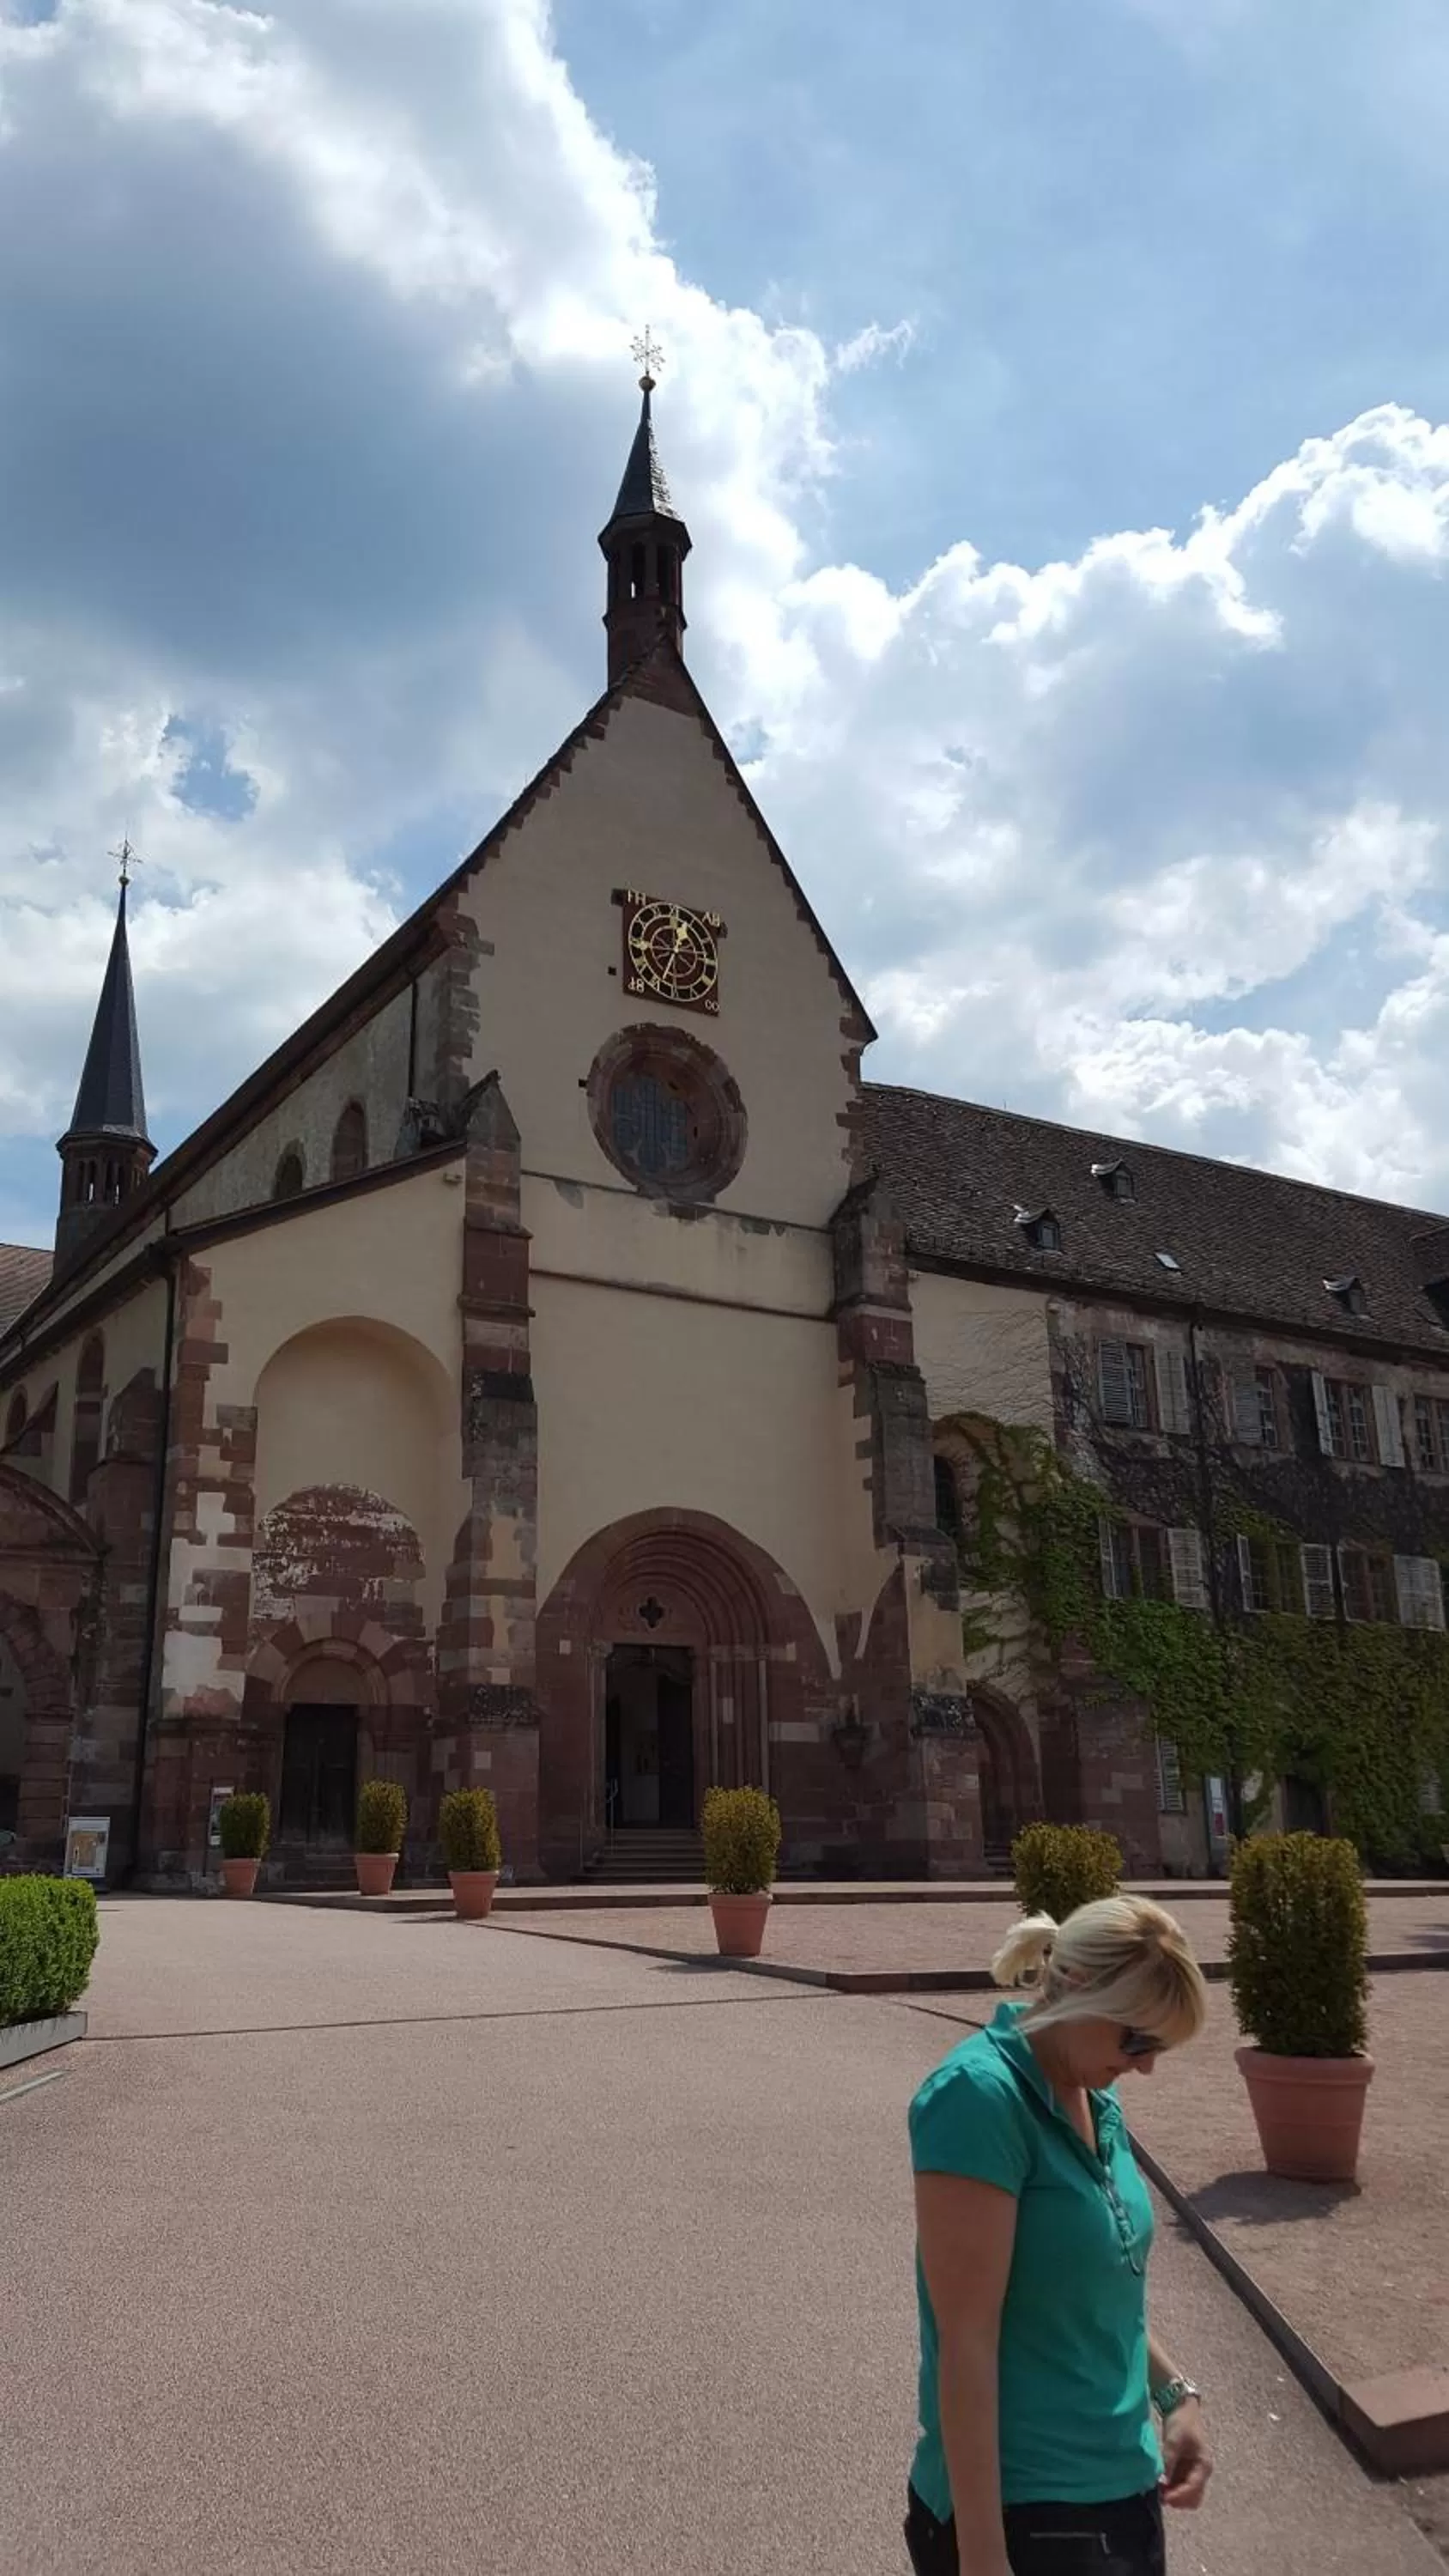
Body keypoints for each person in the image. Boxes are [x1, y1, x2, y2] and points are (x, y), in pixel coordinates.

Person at [905, 1893, 1213, 2576]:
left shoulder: (1092, 2090)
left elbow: (1093, 2290)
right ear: (1073, 1986)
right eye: (1136, 2039)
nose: (1146, 2064)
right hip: (1029, 2511)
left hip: (1122, 2489)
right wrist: (982, 2555)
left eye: (1158, 2045)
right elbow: (966, 2339)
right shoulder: (978, 2098)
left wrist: (1175, 2396)